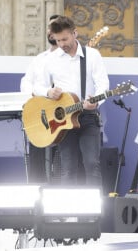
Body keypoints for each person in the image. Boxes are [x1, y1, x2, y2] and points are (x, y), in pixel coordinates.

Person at [32, 16, 109, 187]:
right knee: (67, 168)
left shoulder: (92, 55)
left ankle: (95, 211)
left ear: (75, 33)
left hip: (88, 117)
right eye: (58, 40)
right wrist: (48, 91)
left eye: (65, 39)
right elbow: (37, 86)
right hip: (63, 120)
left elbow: (103, 84)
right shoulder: (50, 60)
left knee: (91, 164)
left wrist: (95, 102)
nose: (61, 44)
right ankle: (68, 212)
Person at [20, 14, 60, 183]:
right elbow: (26, 82)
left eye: (56, 28)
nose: (51, 32)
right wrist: (38, 97)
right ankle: (37, 192)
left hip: (60, 114)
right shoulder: (39, 59)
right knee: (37, 156)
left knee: (61, 159)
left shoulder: (70, 59)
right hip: (39, 113)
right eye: (50, 28)